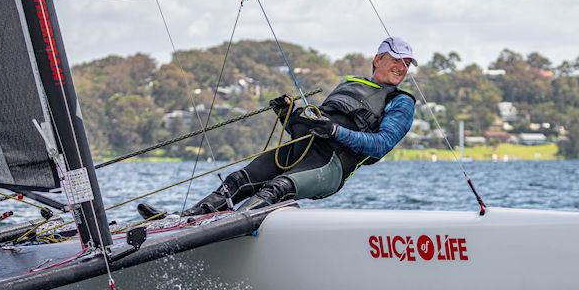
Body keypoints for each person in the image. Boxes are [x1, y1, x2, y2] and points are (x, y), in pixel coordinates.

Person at [160, 36, 417, 217]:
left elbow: (381, 146)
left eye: (407, 63)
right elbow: (303, 131)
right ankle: (183, 220)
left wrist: (335, 132)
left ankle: (232, 223)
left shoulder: (401, 102)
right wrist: (287, 114)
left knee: (277, 188)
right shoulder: (350, 84)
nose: (402, 67)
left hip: (331, 166)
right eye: (397, 59)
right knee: (237, 181)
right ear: (378, 59)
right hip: (300, 150)